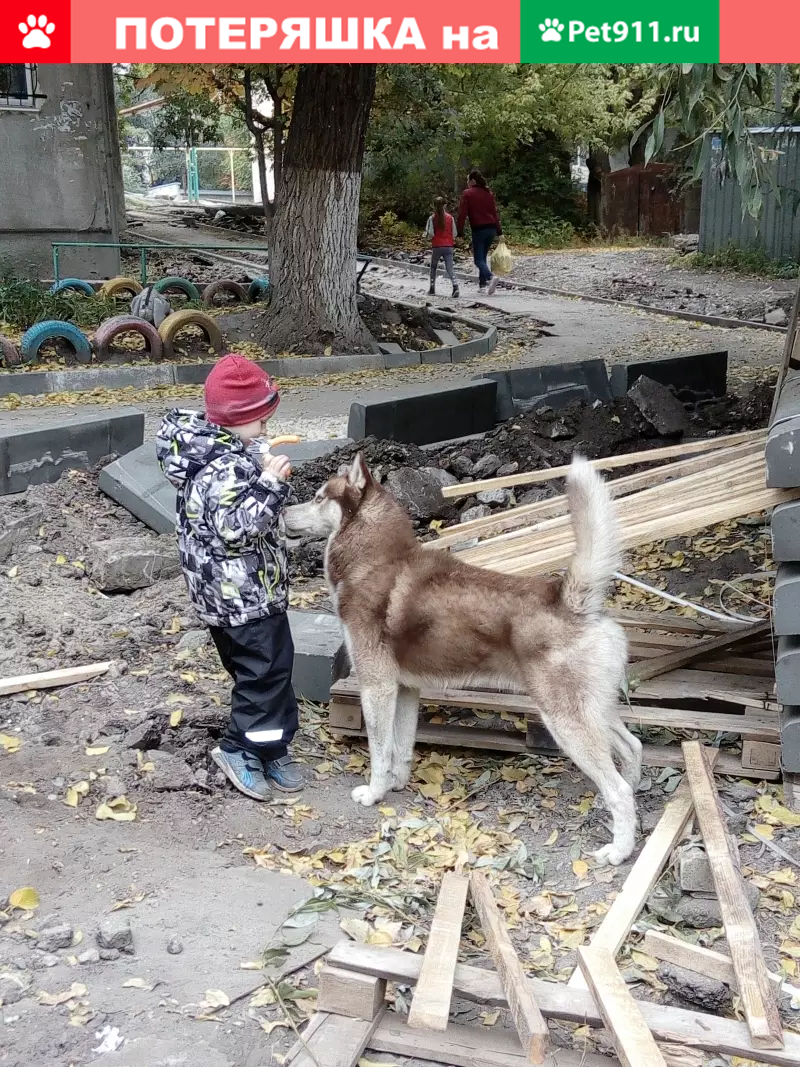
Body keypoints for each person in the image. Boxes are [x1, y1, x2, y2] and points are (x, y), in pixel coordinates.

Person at [156, 353, 302, 801]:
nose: (265, 430)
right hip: (244, 595)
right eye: (260, 422)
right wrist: (271, 484)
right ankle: (239, 748)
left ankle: (270, 744)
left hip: (234, 593)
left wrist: (256, 464)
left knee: (265, 672)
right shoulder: (223, 468)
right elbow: (236, 529)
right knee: (265, 673)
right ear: (239, 420)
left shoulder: (222, 453)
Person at [457, 168, 502, 296]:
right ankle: (482, 285)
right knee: (483, 257)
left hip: (479, 229)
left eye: (467, 180)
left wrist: (459, 231)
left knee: (478, 260)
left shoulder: (468, 193)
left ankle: (490, 277)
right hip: (491, 229)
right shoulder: (488, 193)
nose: (467, 182)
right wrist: (499, 232)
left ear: (472, 180)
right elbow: (494, 213)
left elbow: (462, 214)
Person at [424, 196, 460, 298]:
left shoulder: (432, 218)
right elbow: (454, 233)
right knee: (450, 268)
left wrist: (427, 238)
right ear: (445, 205)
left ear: (434, 205)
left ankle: (432, 288)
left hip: (437, 246)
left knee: (433, 267)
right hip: (448, 246)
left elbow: (430, 233)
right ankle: (455, 286)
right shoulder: (450, 218)